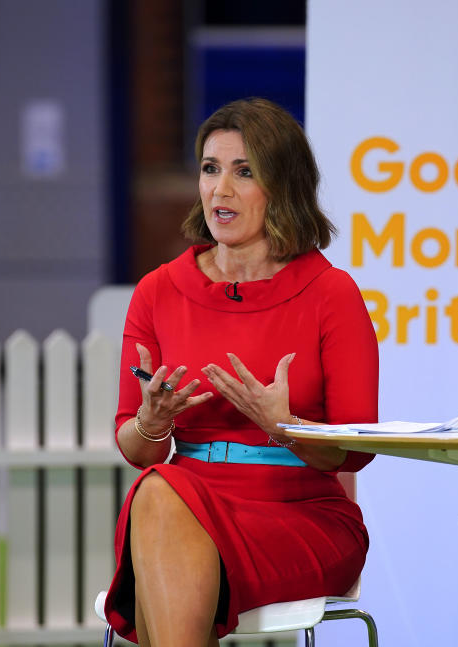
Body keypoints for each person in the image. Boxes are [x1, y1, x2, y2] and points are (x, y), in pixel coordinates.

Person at [103, 97, 379, 647]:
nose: (219, 190)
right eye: (210, 169)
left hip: (301, 514)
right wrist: (155, 421)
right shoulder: (158, 292)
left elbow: (356, 450)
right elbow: (135, 446)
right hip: (185, 500)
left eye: (243, 172)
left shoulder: (331, 294)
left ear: (283, 186)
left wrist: (285, 427)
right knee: (158, 488)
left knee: (161, 506)